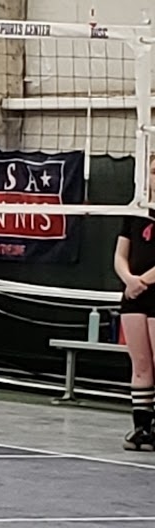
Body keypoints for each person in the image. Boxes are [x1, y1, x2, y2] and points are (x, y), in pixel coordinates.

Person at [113, 156, 155, 451]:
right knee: (140, 364)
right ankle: (141, 427)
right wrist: (129, 279)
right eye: (153, 171)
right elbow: (119, 255)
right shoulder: (136, 211)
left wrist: (143, 281)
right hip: (132, 296)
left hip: (149, 290)